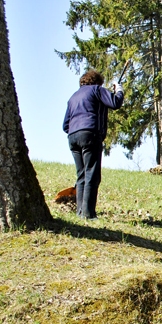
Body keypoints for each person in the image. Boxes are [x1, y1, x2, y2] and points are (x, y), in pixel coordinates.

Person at [62, 70, 124, 220]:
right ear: (97, 82)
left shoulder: (73, 97)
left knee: (81, 175)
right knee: (92, 174)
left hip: (73, 136)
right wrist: (119, 90)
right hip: (90, 133)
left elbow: (65, 125)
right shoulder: (97, 90)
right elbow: (115, 103)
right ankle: (88, 214)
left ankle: (80, 213)